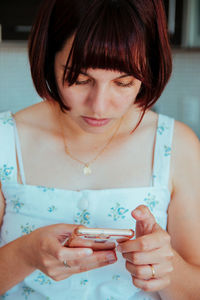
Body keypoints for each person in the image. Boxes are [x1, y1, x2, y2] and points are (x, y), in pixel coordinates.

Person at [0, 0, 200, 299]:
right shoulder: (5, 141)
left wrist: (167, 268)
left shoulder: (177, 145)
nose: (100, 105)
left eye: (123, 82)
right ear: (47, 56)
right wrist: (25, 254)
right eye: (80, 79)